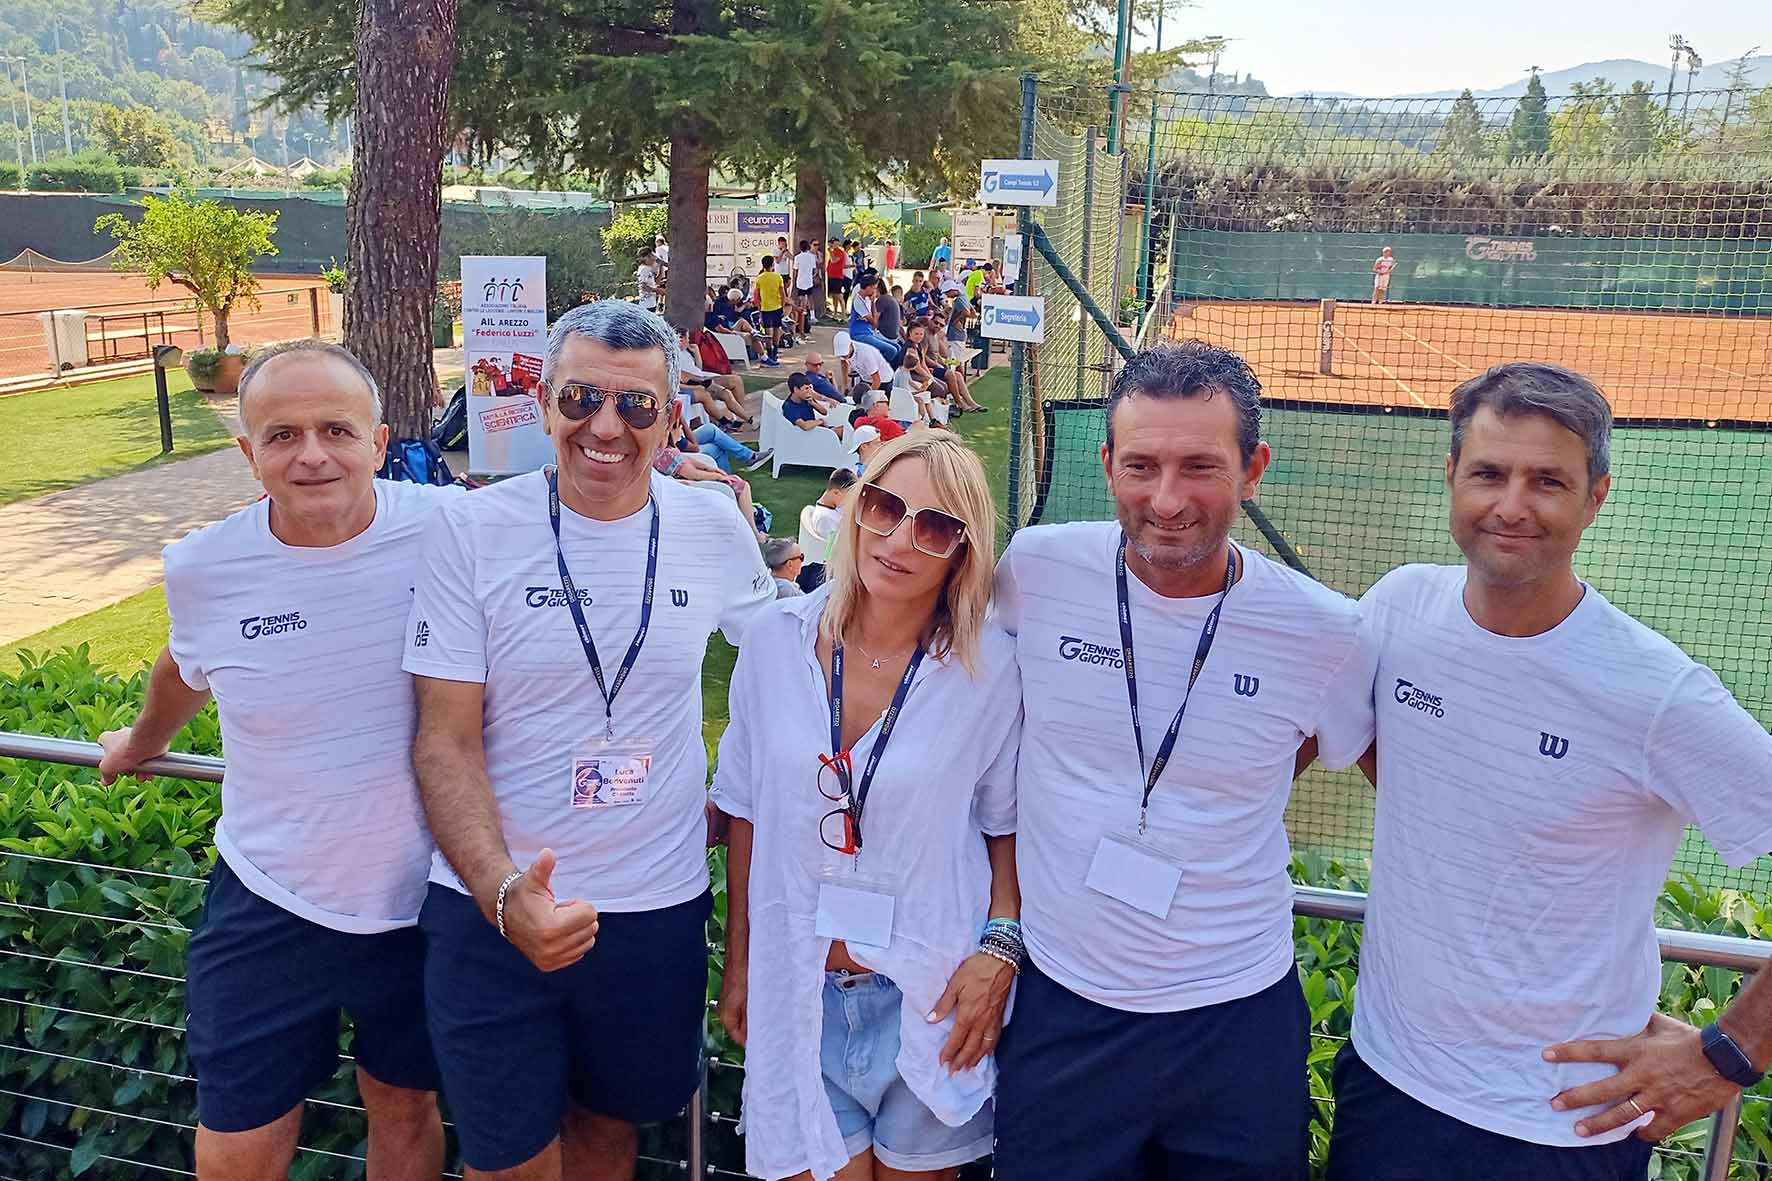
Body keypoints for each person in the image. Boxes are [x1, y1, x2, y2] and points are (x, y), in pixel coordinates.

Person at [1323, 363, 1772, 1181]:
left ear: (1595, 497)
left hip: (1560, 1128)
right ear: (1451, 475)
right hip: (1386, 1087)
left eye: (1548, 481)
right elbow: (1413, 769)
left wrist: (1730, 1050)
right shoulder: (1398, 607)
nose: (1512, 505)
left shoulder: (1658, 693)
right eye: (1489, 473)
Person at [989, 341, 1378, 1181]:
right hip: (1062, 1005)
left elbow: (1322, 753)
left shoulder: (1325, 631)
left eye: (1199, 466)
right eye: (1141, 466)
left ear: (1253, 470)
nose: (1166, 500)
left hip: (1236, 1020)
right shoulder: (1037, 570)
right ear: (1107, 465)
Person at [404, 300, 775, 1181]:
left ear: (672, 418)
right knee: (510, 1164)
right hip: (494, 907)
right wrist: (504, 893)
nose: (606, 427)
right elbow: (443, 740)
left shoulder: (711, 525)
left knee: (610, 1138)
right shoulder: (470, 528)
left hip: (653, 908)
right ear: (543, 403)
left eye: (636, 405)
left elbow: (784, 665)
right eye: (581, 399)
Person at [96, 340, 449, 1181]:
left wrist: (699, 492)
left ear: (379, 440)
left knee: (405, 1104)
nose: (312, 454)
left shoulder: (451, 529)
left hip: (424, 900)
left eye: (337, 429)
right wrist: (142, 741)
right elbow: (184, 663)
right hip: (268, 894)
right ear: (248, 453)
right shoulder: (203, 565)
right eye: (283, 435)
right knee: (240, 1134)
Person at [715, 432, 1023, 1181]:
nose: (900, 539)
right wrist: (741, 962)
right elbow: (747, 812)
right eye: (885, 507)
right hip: (799, 986)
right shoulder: (773, 643)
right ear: (857, 507)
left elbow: (1006, 826)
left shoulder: (991, 668)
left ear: (962, 550)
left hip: (931, 994)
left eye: (935, 526)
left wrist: (1000, 949)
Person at [796, 468, 857, 592]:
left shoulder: (831, 510)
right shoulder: (826, 519)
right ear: (836, 493)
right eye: (849, 496)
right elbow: (831, 550)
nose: (850, 501)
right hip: (835, 567)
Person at [834, 330, 894, 403]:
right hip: (866, 378)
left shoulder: (865, 354)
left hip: (883, 380)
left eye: (845, 354)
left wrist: (867, 398)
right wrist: (845, 384)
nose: (844, 356)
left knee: (876, 405)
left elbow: (877, 380)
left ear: (850, 344)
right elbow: (844, 362)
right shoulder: (844, 353)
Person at [781, 372, 843, 437]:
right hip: (808, 435)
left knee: (846, 429)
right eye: (806, 388)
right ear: (796, 389)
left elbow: (824, 412)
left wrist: (813, 403)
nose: (809, 391)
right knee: (845, 432)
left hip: (817, 429)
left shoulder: (806, 398)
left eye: (809, 388)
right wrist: (820, 421)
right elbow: (805, 426)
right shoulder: (789, 407)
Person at [753, 254, 786, 367]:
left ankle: (770, 352)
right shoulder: (778, 277)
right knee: (777, 329)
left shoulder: (760, 278)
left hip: (765, 308)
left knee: (768, 332)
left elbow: (757, 296)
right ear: (772, 265)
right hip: (777, 307)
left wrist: (759, 309)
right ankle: (775, 352)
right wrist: (782, 306)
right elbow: (783, 294)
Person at [793, 239, 821, 334]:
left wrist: (795, 279)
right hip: (809, 281)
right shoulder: (811, 257)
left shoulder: (797, 257)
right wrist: (812, 276)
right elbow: (814, 269)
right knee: (810, 298)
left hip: (800, 281)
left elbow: (795, 270)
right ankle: (812, 316)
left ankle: (802, 315)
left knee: (801, 299)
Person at [828, 241, 851, 306]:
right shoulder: (833, 252)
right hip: (832, 276)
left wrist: (830, 252)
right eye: (833, 244)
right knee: (834, 295)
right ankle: (836, 310)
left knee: (839, 294)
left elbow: (834, 260)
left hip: (839, 276)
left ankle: (843, 310)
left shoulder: (841, 252)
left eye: (836, 244)